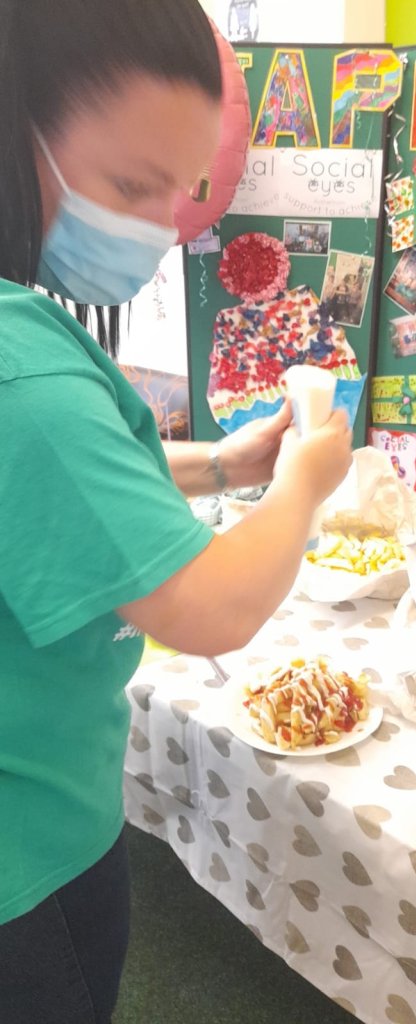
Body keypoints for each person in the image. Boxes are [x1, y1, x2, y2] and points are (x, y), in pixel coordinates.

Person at [0, 3, 352, 1022]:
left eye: (180, 192)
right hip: (30, 860)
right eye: (129, 187)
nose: (159, 230)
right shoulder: (20, 363)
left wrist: (226, 463)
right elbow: (210, 606)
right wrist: (303, 482)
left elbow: (79, 482)